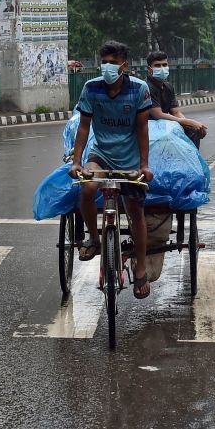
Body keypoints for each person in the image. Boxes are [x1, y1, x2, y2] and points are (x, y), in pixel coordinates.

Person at [69, 40, 154, 299]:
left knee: (135, 212)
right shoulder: (91, 88)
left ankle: (140, 266)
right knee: (87, 187)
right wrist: (76, 161)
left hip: (129, 160)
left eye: (112, 63)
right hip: (101, 154)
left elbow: (142, 129)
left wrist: (144, 165)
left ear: (124, 66)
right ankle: (94, 239)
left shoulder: (139, 89)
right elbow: (84, 127)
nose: (106, 67)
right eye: (103, 62)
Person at [145, 51, 207, 147]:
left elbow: (176, 112)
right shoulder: (146, 87)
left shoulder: (168, 86)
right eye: (157, 65)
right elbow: (158, 115)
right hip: (149, 128)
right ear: (149, 69)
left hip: (165, 125)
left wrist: (189, 125)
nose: (162, 68)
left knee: (192, 132)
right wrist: (188, 122)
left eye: (164, 65)